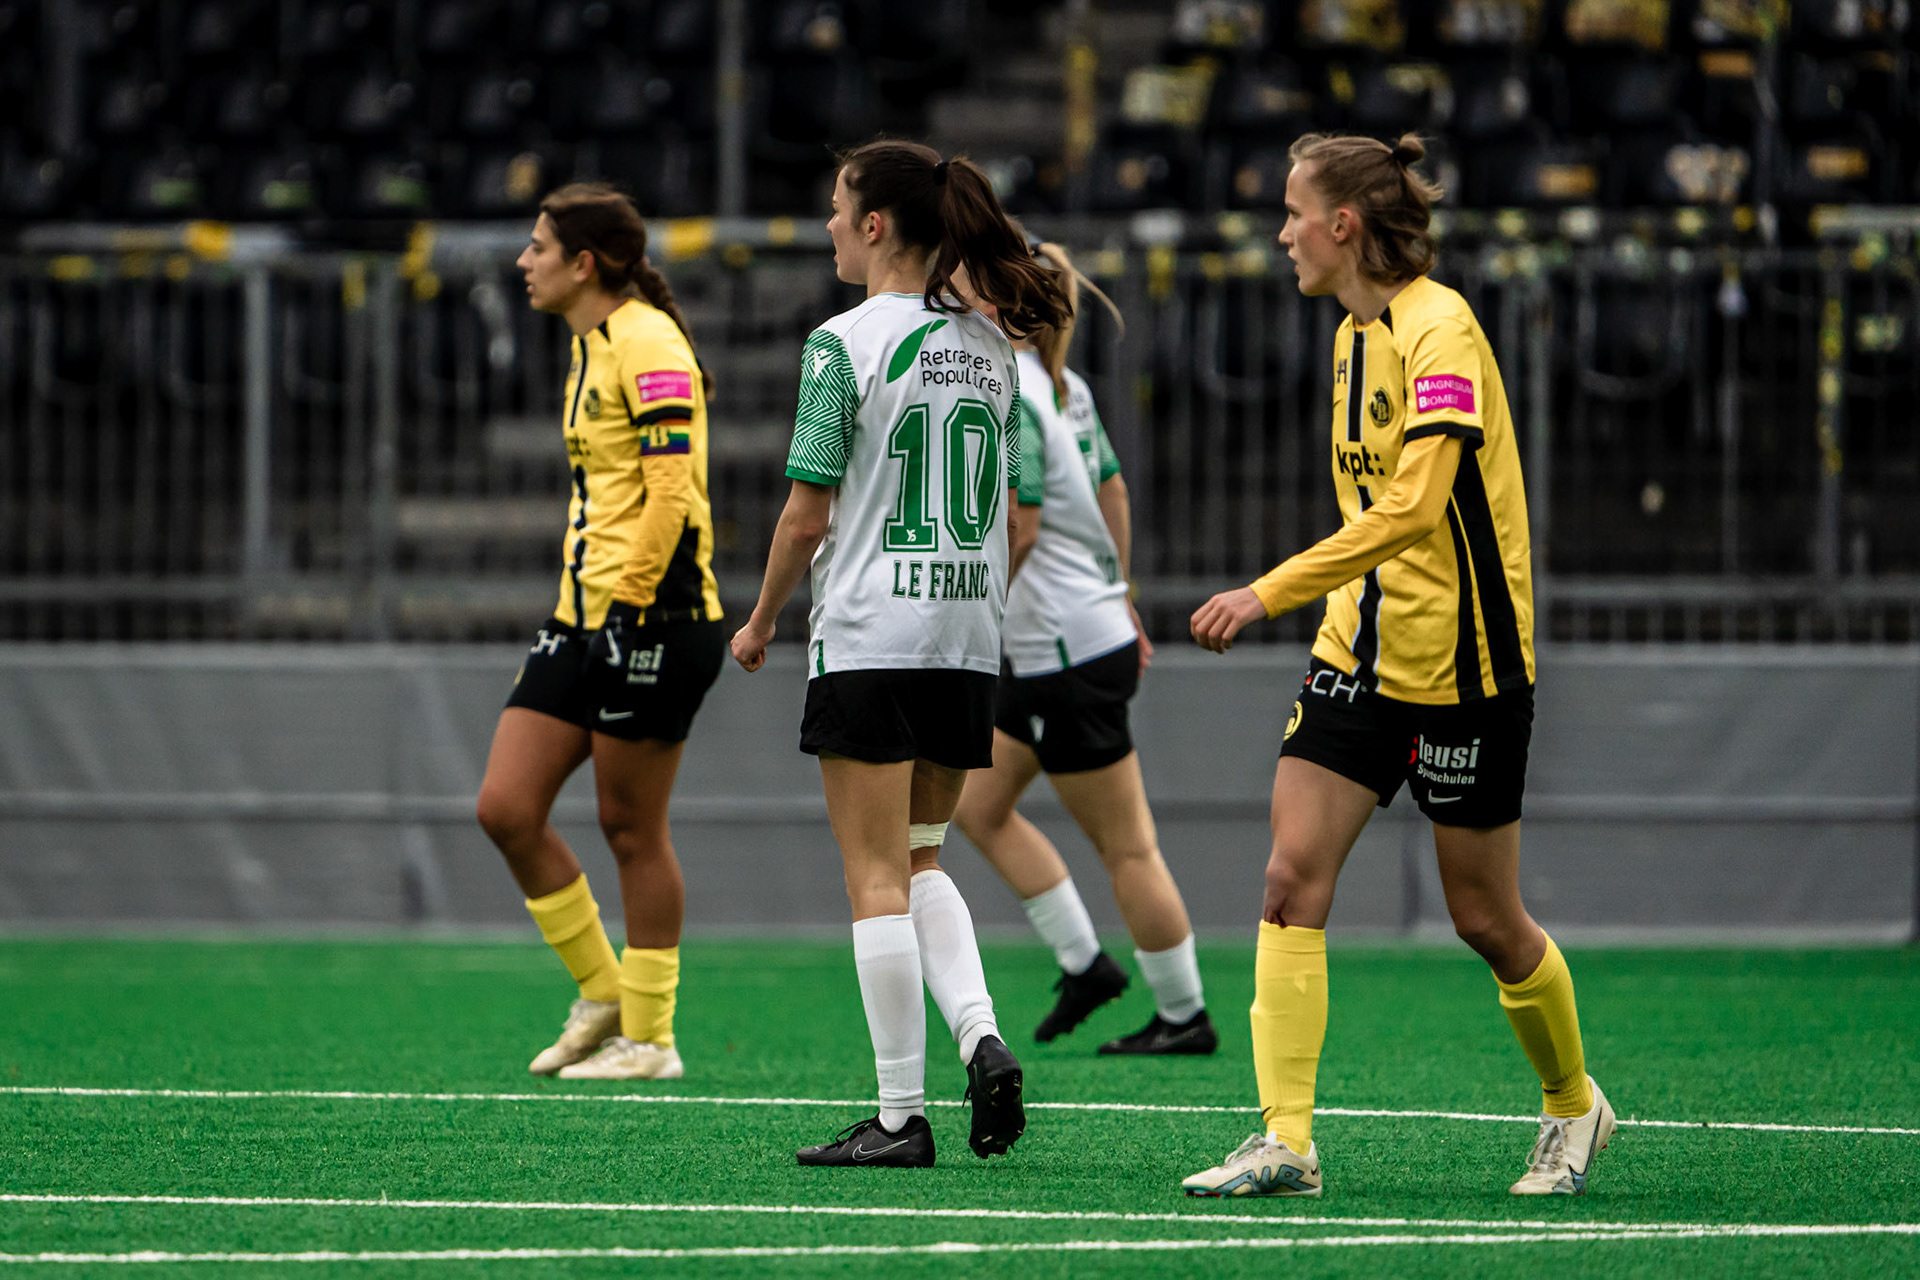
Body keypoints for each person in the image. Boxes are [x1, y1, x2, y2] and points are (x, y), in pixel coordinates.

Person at [1181, 134, 1612, 1198]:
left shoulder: (1442, 329)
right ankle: (1286, 1140)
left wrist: (1265, 589)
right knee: (1289, 879)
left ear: (1346, 226)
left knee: (1485, 918)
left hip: (1467, 667)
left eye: (1293, 211)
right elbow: (1375, 519)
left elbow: (1416, 506)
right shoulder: (1348, 338)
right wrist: (1318, 609)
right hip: (1357, 655)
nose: (1280, 232)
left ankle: (1573, 1104)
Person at [730, 140, 1071, 1168]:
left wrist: (758, 620)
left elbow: (803, 515)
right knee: (920, 856)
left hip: (873, 631)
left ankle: (895, 1117)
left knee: (873, 872)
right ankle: (982, 1035)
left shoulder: (842, 345)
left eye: (838, 206)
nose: (830, 224)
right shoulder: (996, 348)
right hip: (966, 641)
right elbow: (1017, 520)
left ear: (877, 224)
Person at [474, 183, 725, 1083]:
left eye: (538, 246)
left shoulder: (649, 339)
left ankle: (651, 1039)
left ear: (585, 263)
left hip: (656, 615)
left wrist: (625, 603)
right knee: (504, 808)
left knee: (630, 827)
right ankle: (602, 992)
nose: (523, 261)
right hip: (582, 619)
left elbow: (669, 492)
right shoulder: (591, 345)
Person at [951, 241, 1214, 1056]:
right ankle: (1085, 963)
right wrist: (1121, 595)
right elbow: (1114, 493)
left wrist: (969, 611)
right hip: (1059, 647)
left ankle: (1184, 1015)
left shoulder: (1015, 394)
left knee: (1127, 845)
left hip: (1062, 652)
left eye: (961, 285)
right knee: (977, 805)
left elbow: (1019, 528)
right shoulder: (1062, 387)